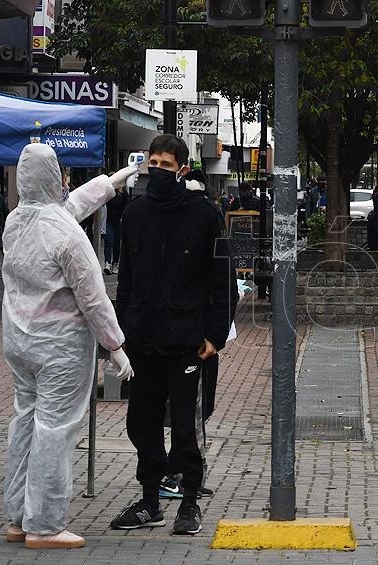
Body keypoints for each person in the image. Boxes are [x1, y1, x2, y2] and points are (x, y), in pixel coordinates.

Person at [2, 144, 136, 549]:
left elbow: (67, 207)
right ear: (55, 177)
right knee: (54, 431)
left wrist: (111, 183)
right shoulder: (66, 234)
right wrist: (115, 344)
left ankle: (18, 518)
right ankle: (45, 525)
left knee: (25, 424)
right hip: (60, 348)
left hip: (20, 342)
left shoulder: (16, 220)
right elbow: (92, 297)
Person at [110, 134, 238, 536]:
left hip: (188, 340)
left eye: (166, 164)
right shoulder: (135, 214)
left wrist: (215, 335)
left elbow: (224, 280)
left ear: (182, 169)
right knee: (141, 422)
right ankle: (150, 501)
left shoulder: (205, 215)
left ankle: (189, 502)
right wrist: (120, 330)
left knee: (186, 426)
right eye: (153, 163)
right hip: (142, 339)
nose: (158, 170)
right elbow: (126, 279)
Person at [161, 171, 234, 502]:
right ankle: (178, 473)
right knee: (193, 408)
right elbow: (226, 283)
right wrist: (214, 335)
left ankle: (180, 470)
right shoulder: (207, 220)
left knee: (190, 408)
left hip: (184, 333)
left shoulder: (178, 221)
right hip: (193, 335)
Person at [104, 177, 131, 276]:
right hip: (108, 221)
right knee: (109, 241)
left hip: (118, 221)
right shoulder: (109, 192)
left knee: (116, 243)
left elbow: (127, 205)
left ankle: (115, 263)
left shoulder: (123, 193)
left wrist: (123, 217)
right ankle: (108, 263)